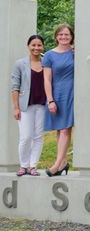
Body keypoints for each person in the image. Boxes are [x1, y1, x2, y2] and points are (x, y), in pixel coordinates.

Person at [10, 34, 47, 176]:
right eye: (33, 45)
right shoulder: (20, 64)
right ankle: (23, 165)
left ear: (42, 46)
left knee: (38, 136)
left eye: (39, 45)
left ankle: (33, 166)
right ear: (28, 46)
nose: (36, 48)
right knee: (25, 137)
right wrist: (16, 107)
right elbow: (15, 87)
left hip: (42, 105)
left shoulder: (46, 63)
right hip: (25, 105)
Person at [42, 24, 75, 176]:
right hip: (56, 94)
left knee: (65, 129)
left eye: (67, 34)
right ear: (56, 37)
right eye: (61, 35)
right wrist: (50, 100)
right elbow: (47, 80)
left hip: (71, 93)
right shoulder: (49, 55)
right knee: (59, 129)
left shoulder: (75, 52)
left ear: (72, 36)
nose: (64, 37)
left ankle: (56, 165)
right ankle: (62, 163)